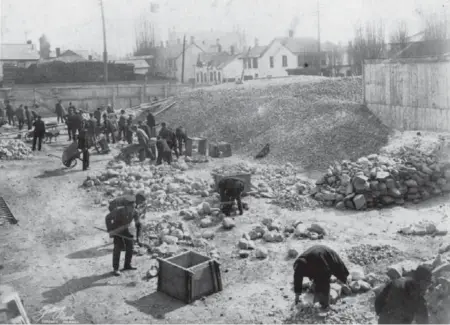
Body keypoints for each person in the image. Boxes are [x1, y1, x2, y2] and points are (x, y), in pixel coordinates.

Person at [293, 245, 349, 310]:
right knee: (318, 278)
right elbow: (297, 279)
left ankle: (325, 305)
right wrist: (297, 294)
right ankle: (318, 292)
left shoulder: (320, 264)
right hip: (316, 256)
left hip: (328, 255)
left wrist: (325, 302)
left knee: (337, 274)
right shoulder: (299, 264)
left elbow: (325, 279)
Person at [105, 195, 139, 276]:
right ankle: (116, 268)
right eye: (131, 207)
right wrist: (110, 230)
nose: (133, 209)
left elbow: (138, 224)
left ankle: (127, 265)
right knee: (118, 248)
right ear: (126, 206)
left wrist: (138, 237)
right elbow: (107, 218)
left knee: (130, 247)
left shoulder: (135, 212)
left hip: (126, 229)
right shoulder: (118, 210)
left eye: (134, 207)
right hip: (117, 230)